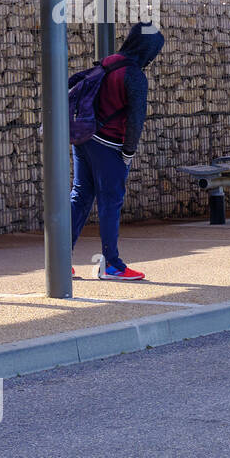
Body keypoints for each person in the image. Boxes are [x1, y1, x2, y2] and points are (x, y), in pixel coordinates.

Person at [70, 22, 164, 280]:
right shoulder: (134, 75)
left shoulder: (106, 63)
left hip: (85, 139)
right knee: (110, 201)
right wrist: (128, 153)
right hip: (110, 146)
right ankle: (110, 265)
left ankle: (61, 258)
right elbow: (135, 120)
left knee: (80, 196)